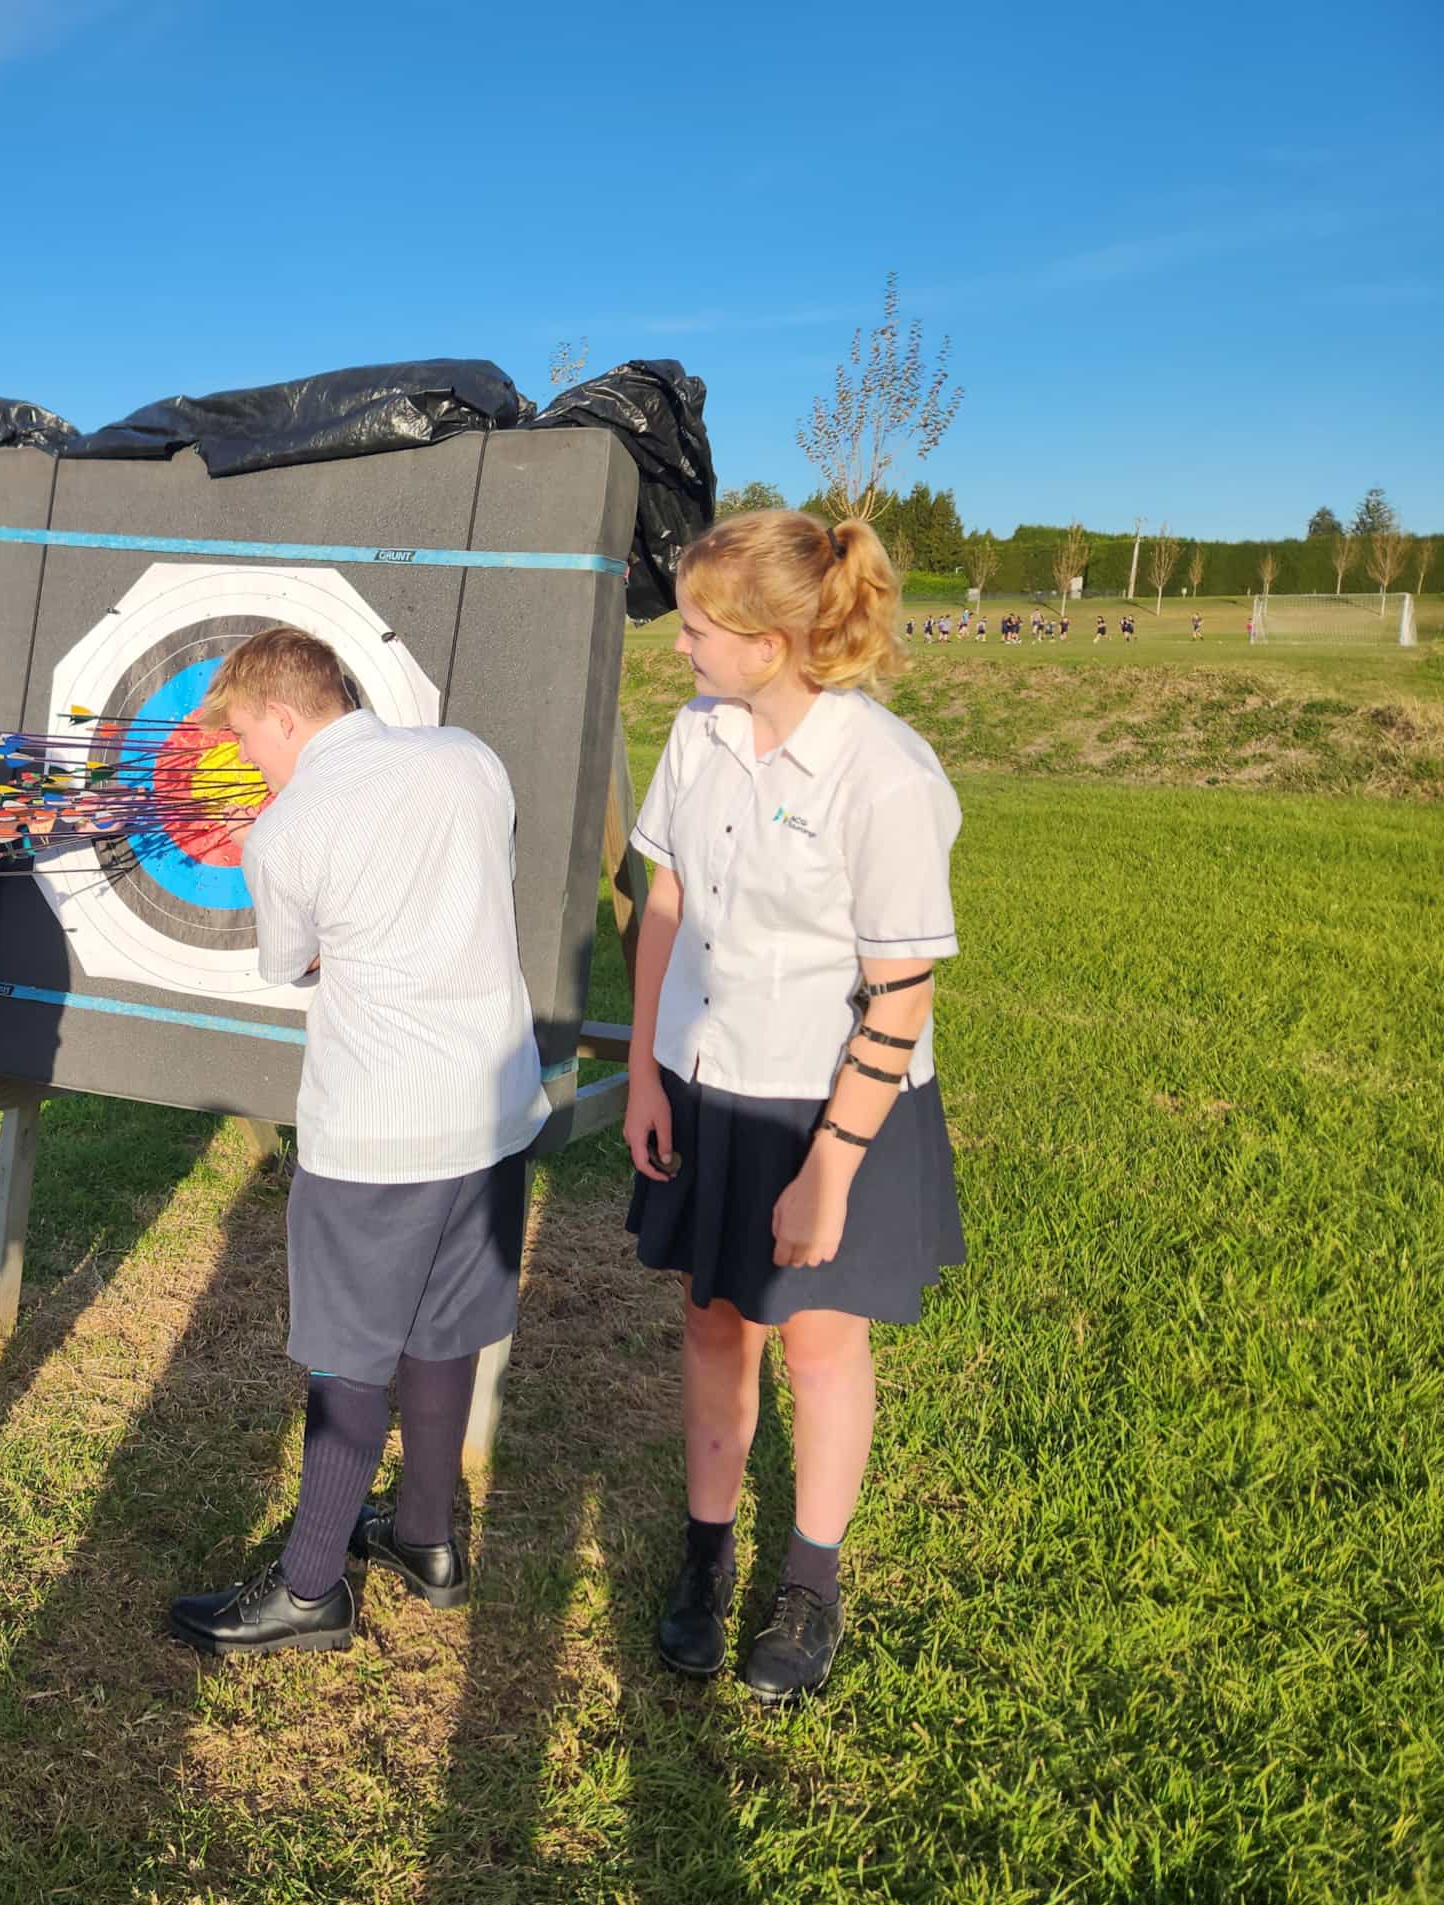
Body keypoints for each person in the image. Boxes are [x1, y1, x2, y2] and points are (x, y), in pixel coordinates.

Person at [621, 511, 965, 1704]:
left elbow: (900, 991)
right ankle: (705, 1557)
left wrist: (827, 1168)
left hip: (830, 1107)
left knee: (818, 1343)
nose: (679, 647)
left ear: (768, 644)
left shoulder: (886, 775)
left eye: (696, 627)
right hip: (704, 1082)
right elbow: (666, 900)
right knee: (714, 1322)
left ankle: (810, 1584)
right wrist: (645, 1072)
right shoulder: (697, 733)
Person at [167, 626, 548, 1657]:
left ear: (285, 715)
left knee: (347, 1357)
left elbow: (290, 962)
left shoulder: (287, 829)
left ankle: (308, 1591)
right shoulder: (467, 757)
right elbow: (484, 887)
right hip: (492, 1110)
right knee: (442, 1328)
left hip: (378, 1132)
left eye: (247, 738)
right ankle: (427, 1541)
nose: (248, 760)